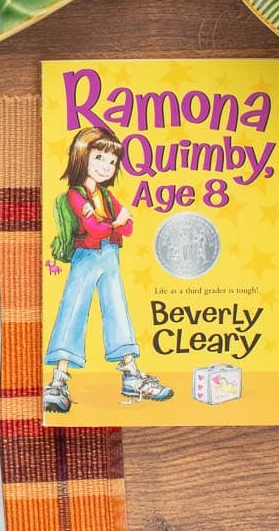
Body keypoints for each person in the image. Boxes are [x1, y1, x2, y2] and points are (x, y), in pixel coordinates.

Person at [44, 126, 173, 412]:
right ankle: (58, 381)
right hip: (86, 255)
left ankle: (131, 374)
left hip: (110, 256)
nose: (106, 166)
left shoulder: (106, 196)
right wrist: (114, 223)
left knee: (117, 309)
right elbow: (96, 227)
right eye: (99, 157)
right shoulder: (75, 195)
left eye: (112, 162)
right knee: (73, 310)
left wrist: (113, 224)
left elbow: (128, 226)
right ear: (82, 157)